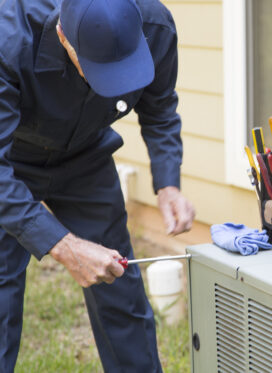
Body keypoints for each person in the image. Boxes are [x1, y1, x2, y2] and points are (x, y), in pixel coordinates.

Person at [0, 0, 195, 371]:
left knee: (117, 283)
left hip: (86, 157)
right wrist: (63, 245)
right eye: (98, 69)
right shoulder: (9, 41)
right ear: (63, 36)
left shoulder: (156, 27)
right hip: (10, 160)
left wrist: (168, 183)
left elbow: (160, 106)